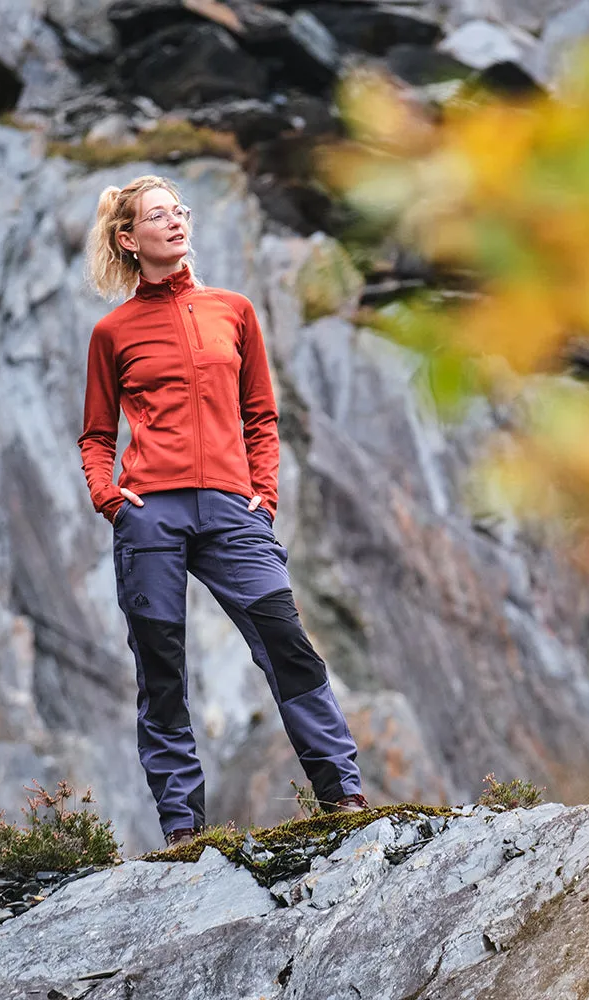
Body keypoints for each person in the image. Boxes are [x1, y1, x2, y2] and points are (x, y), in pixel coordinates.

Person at [78, 174, 367, 846]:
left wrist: (261, 496)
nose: (177, 221)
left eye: (180, 210)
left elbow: (261, 415)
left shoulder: (233, 311)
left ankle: (343, 796)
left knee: (289, 647)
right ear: (129, 239)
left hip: (235, 513)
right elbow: (97, 437)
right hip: (150, 519)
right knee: (162, 668)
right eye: (158, 215)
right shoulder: (112, 334)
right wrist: (111, 499)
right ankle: (183, 828)